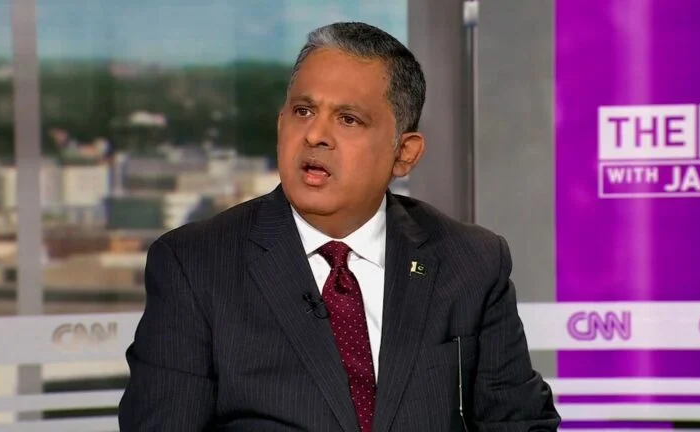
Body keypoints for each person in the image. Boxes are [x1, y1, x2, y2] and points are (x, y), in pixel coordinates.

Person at [118, 21, 560, 432]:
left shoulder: (471, 263)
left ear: (404, 153)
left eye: (348, 119)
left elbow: (519, 424)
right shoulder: (196, 265)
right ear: (281, 123)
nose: (315, 135)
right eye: (303, 111)